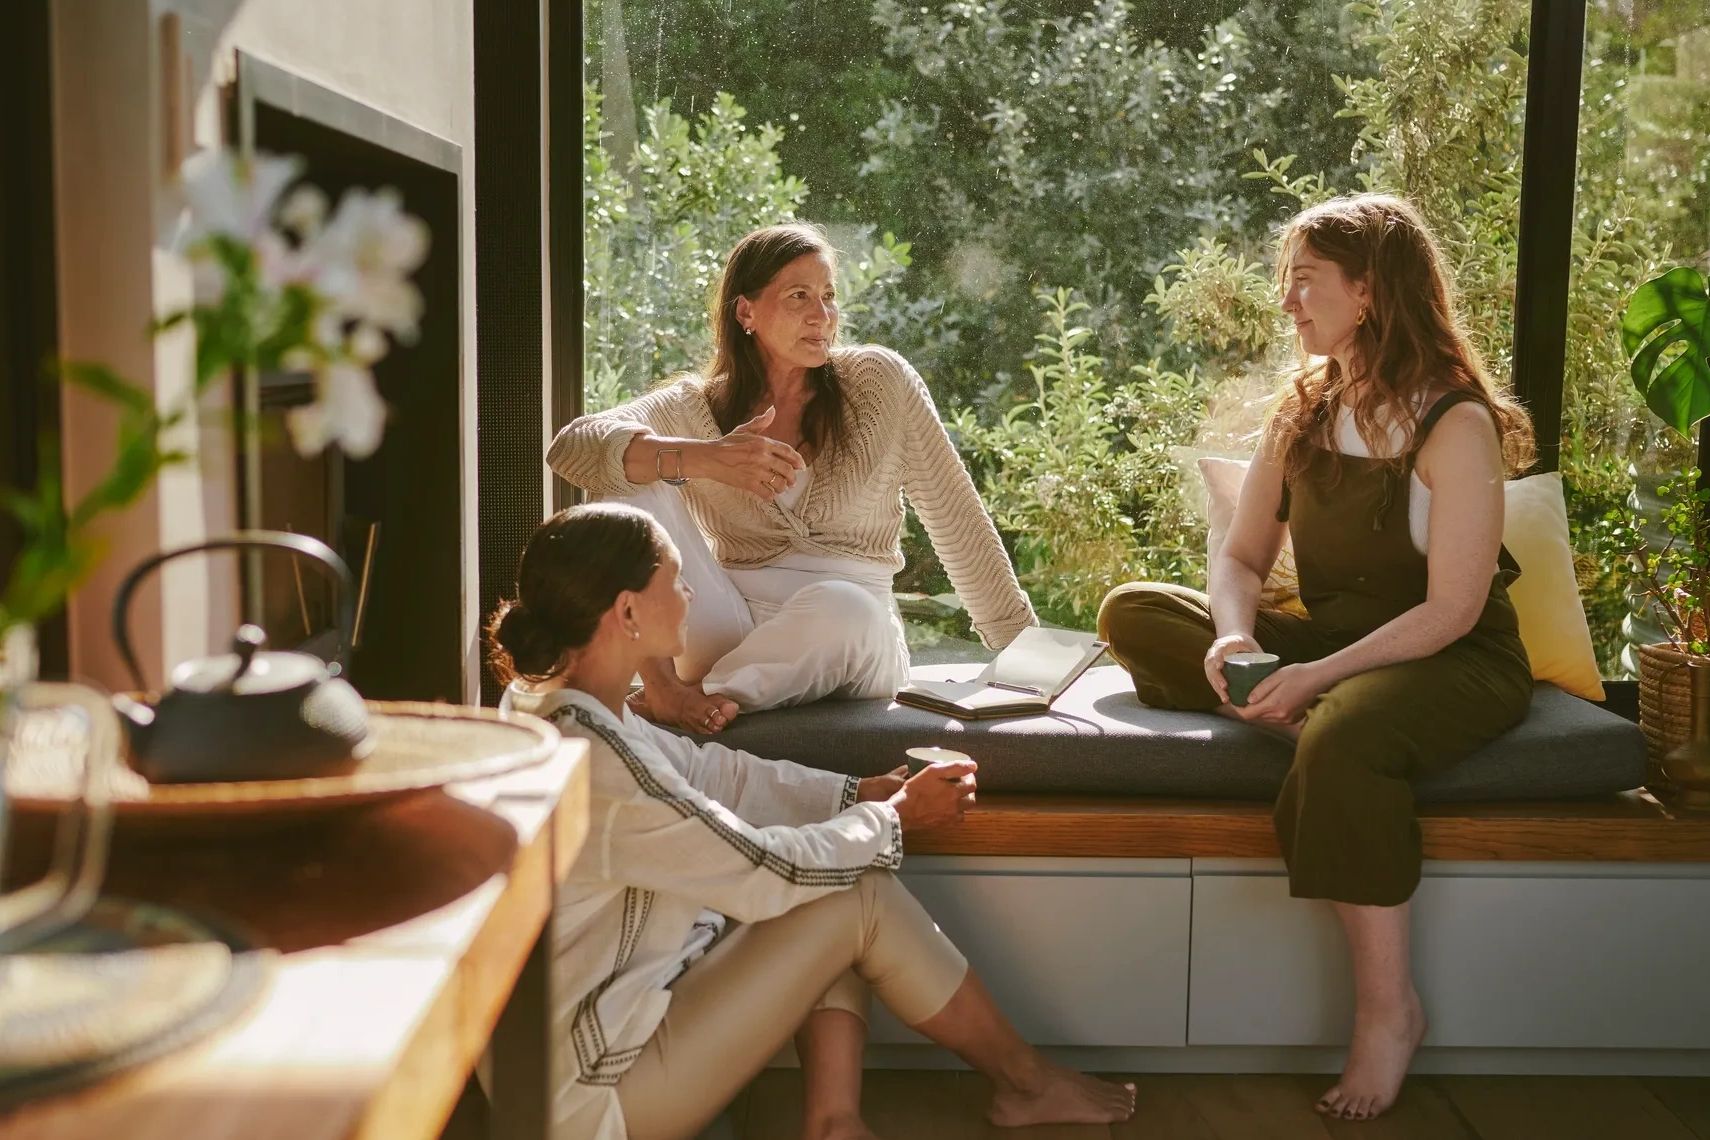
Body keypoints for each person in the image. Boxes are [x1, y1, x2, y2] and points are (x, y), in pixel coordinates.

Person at [490, 503, 1135, 1140]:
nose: (688, 593)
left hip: (566, 1056)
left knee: (841, 868)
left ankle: (838, 1123)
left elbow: (714, 774)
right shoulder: (597, 762)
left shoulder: (563, 710)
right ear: (628, 612)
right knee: (850, 887)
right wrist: (892, 817)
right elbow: (771, 870)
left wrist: (857, 793)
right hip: (586, 1099)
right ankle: (1021, 1082)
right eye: (675, 578)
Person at [1098, 194, 1535, 1121]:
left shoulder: (1454, 423)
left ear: (1369, 292)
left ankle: (1389, 1013)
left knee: (1341, 737)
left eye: (1305, 283)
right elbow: (1242, 559)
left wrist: (1319, 679)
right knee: (1134, 611)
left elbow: (1454, 610)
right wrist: (1233, 637)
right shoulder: (1302, 407)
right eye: (1285, 283)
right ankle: (1299, 712)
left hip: (1452, 657)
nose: (1288, 304)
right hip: (1339, 645)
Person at [547, 222, 1035, 734]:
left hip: (851, 632)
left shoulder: (878, 381)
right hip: (727, 620)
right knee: (628, 470)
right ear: (746, 312)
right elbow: (575, 448)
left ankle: (698, 699)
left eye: (828, 296)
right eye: (798, 295)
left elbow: (955, 514)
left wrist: (1021, 648)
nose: (821, 316)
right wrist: (705, 458)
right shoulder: (697, 407)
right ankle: (665, 686)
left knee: (844, 607)